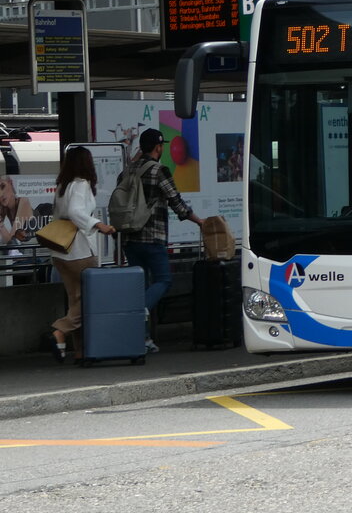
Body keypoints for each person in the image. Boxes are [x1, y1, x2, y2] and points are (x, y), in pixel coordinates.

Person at [119, 129, 204, 352]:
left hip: (129, 237)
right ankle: (139, 310)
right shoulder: (159, 170)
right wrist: (200, 221)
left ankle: (143, 340)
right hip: (153, 236)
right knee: (163, 280)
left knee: (141, 286)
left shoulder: (128, 170)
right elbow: (177, 203)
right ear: (158, 148)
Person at [47, 147, 116, 363]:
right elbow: (77, 212)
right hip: (79, 250)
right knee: (89, 299)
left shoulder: (62, 186)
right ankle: (60, 330)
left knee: (76, 299)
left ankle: (80, 351)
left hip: (60, 251)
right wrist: (99, 225)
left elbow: (61, 214)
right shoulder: (82, 184)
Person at [0, 174, 35, 248]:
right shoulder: (5, 208)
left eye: (3, 186)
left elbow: (12, 243)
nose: (1, 194)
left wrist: (1, 224)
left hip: (37, 252)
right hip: (26, 251)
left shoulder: (23, 202)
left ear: (10, 183)